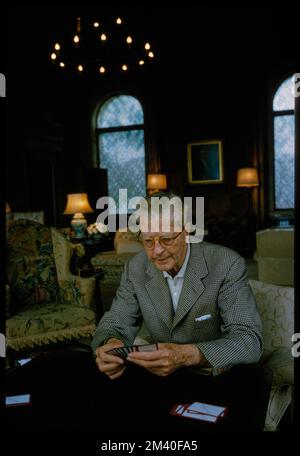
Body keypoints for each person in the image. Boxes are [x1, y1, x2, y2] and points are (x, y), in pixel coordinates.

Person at [91, 191, 271, 435]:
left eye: (166, 239)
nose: (156, 252)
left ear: (187, 231)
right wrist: (110, 342)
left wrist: (186, 355)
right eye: (147, 241)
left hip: (218, 376)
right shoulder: (135, 268)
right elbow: (117, 320)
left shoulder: (226, 263)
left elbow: (249, 341)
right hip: (161, 377)